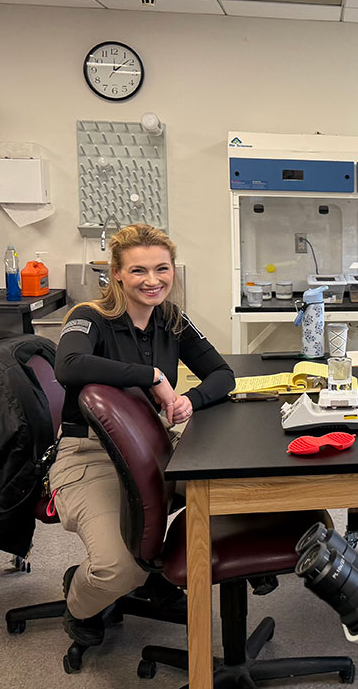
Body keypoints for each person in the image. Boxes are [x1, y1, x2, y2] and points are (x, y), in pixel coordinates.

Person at [50, 223, 235, 646]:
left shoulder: (171, 318)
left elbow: (223, 375)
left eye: (162, 269)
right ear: (116, 273)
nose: (152, 281)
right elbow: (69, 366)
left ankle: (161, 569)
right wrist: (150, 375)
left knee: (230, 488)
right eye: (138, 271)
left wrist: (192, 400)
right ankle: (80, 601)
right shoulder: (89, 317)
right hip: (89, 454)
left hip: (154, 443)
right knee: (119, 569)